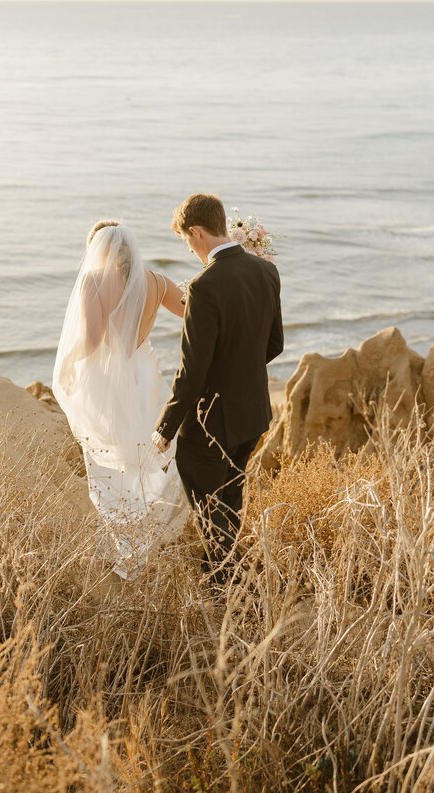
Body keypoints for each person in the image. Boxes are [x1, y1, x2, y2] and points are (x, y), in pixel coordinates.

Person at [152, 193, 283, 579]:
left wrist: (166, 427)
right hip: (254, 414)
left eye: (187, 241)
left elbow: (192, 370)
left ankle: (231, 589)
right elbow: (274, 344)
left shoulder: (204, 286)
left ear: (196, 232)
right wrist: (240, 376)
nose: (190, 250)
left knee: (210, 514)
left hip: (213, 426)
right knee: (228, 504)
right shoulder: (266, 272)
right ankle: (227, 584)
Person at [52, 221, 189, 577]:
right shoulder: (156, 282)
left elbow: (93, 341)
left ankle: (124, 543)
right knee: (141, 450)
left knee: (109, 459)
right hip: (143, 376)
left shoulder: (93, 281)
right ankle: (144, 532)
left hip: (107, 381)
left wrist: (67, 360)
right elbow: (193, 310)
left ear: (96, 249)